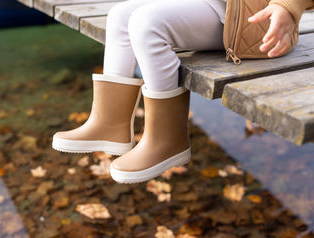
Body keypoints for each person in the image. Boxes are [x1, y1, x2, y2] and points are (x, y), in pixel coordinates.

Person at [52, 0, 314, 183]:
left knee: (148, 24)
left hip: (256, 20)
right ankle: (109, 125)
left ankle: (167, 140)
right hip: (210, 6)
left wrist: (287, 6)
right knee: (121, 15)